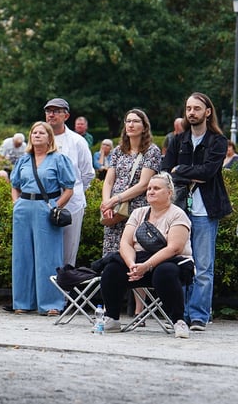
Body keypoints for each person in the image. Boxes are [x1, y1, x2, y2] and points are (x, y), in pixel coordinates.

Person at [161, 92, 233, 332]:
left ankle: (199, 315)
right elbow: (166, 171)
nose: (191, 112)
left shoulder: (218, 141)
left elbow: (208, 172)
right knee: (179, 262)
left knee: (203, 266)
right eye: (189, 108)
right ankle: (179, 314)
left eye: (197, 108)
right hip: (179, 211)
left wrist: (180, 169)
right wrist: (187, 172)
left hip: (205, 211)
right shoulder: (178, 139)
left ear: (208, 112)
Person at [99, 173, 193, 338]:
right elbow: (125, 243)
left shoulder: (178, 214)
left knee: (165, 272)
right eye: (149, 188)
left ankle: (179, 321)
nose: (151, 191)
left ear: (169, 193)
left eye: (156, 188)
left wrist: (146, 266)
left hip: (171, 262)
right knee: (112, 269)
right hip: (139, 261)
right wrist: (132, 265)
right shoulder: (138, 213)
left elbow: (174, 248)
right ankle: (112, 318)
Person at [9, 121, 75, 316]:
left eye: (41, 133)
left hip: (45, 209)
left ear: (49, 137)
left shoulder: (58, 159)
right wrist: (16, 204)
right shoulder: (23, 160)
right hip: (23, 208)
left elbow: (69, 189)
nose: (37, 135)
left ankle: (51, 303)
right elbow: (15, 185)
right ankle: (22, 302)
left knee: (48, 257)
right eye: (34, 132)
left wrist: (55, 207)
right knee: (22, 256)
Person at [99, 109, 162, 255]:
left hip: (137, 210)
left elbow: (144, 184)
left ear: (144, 127)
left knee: (135, 252)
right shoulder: (118, 151)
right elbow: (108, 181)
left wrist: (115, 199)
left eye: (135, 121)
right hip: (115, 211)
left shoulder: (151, 151)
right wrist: (106, 204)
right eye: (128, 121)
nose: (131, 125)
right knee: (111, 254)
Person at [44, 98, 95, 267]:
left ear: (66, 116)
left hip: (72, 206)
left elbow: (87, 174)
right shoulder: (39, 139)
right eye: (48, 111)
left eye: (56, 111)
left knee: (67, 256)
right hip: (43, 204)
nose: (51, 115)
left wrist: (74, 192)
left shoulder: (77, 141)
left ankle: (65, 285)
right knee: (45, 254)